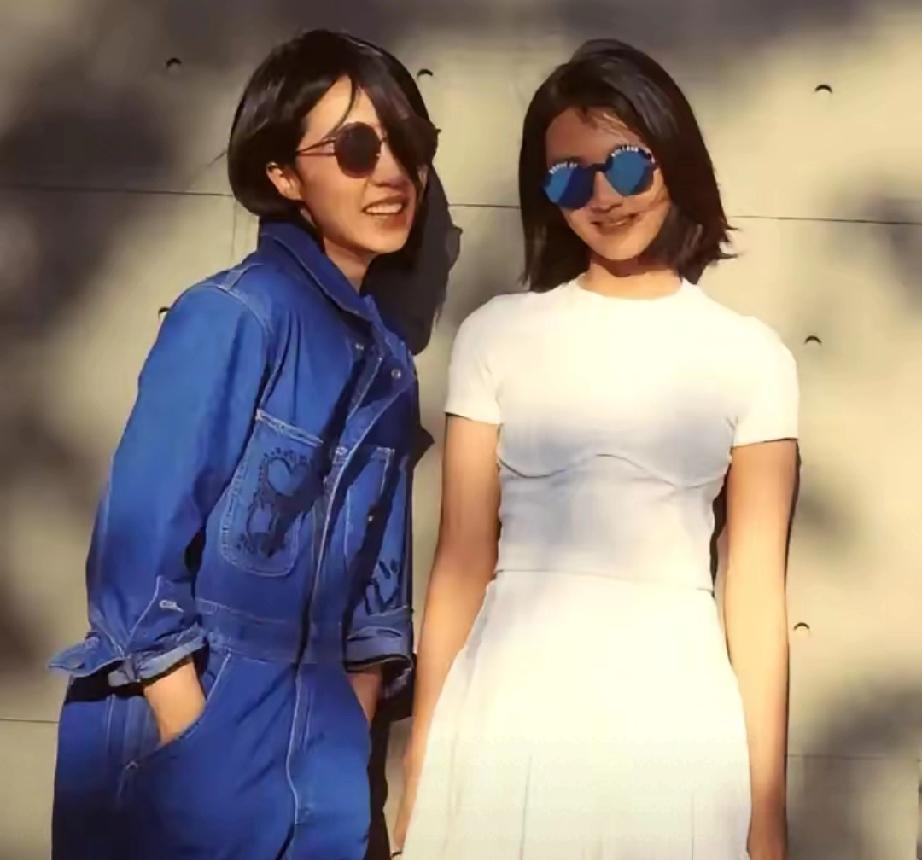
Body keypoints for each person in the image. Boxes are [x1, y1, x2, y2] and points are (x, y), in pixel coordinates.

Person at [396, 38, 797, 860]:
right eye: (569, 178)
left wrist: (766, 815)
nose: (603, 198)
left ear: (673, 158)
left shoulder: (751, 356)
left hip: (673, 720)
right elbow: (460, 563)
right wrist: (420, 770)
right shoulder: (496, 335)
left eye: (625, 165)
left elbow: (756, 599)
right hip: (508, 710)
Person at [49, 29, 438, 860]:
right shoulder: (233, 315)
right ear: (283, 174)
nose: (392, 173)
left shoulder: (390, 366)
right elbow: (135, 554)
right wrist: (196, 740)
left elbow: (378, 595)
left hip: (323, 768)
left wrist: (351, 724)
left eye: (408, 143)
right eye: (357, 148)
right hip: (195, 739)